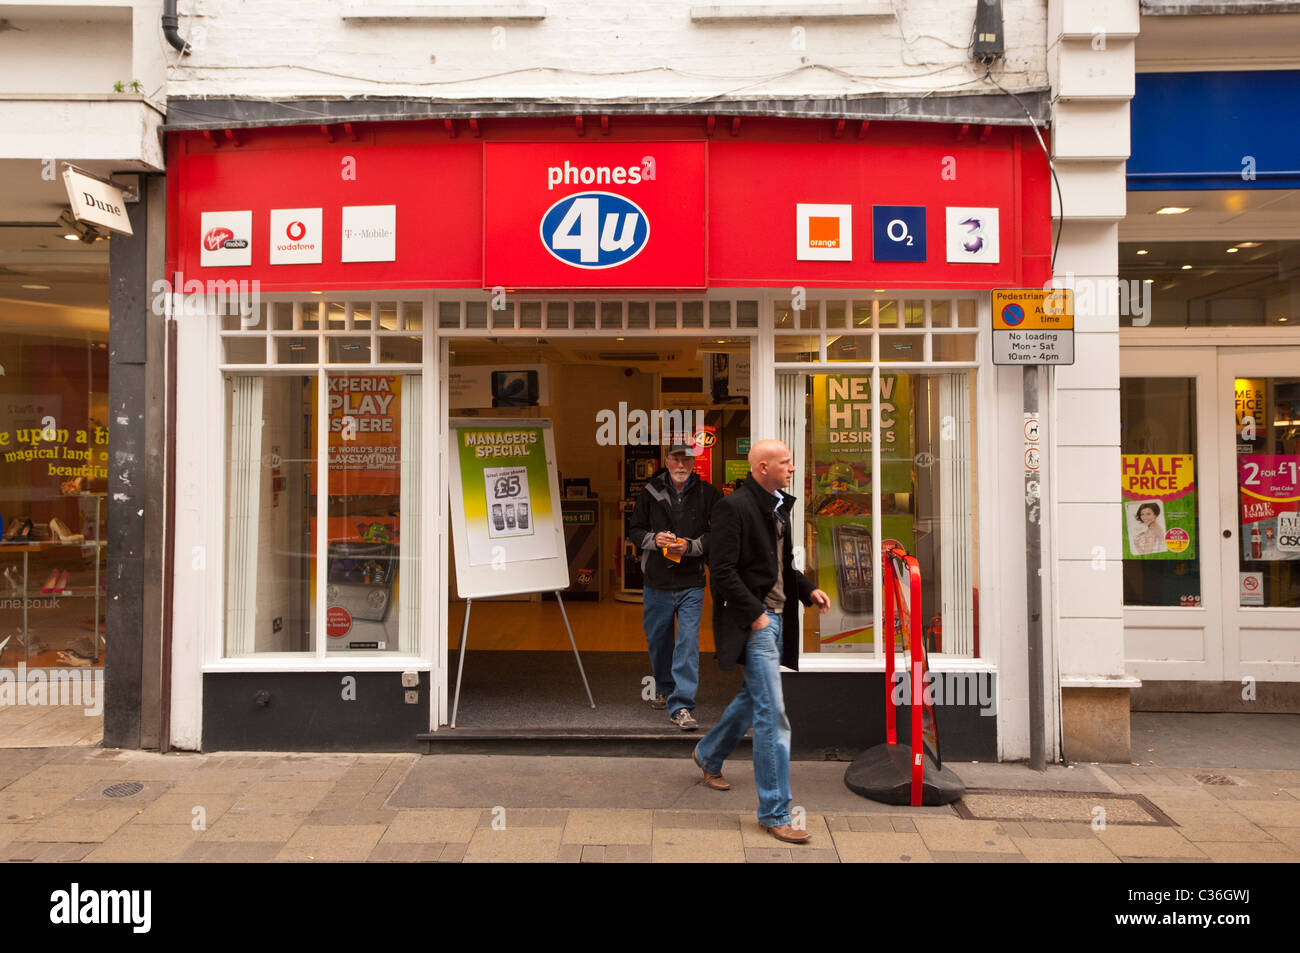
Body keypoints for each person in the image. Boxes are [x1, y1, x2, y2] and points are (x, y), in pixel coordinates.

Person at [692, 439, 830, 844]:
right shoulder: (732, 507)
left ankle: (709, 754)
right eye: (785, 462)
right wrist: (753, 614)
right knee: (773, 716)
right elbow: (721, 570)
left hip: (776, 619)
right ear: (763, 466)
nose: (792, 468)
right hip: (756, 624)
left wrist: (806, 590)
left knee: (755, 699)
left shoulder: (777, 505)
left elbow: (781, 565)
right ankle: (775, 812)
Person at [629, 442, 721, 730]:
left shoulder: (708, 493)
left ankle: (681, 706)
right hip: (656, 580)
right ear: (666, 461)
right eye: (675, 459)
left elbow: (719, 532)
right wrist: (654, 540)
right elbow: (634, 530)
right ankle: (664, 687)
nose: (681, 465)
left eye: (686, 460)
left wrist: (691, 547)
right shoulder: (649, 492)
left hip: (692, 581)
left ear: (694, 463)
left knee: (688, 644)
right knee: (659, 640)